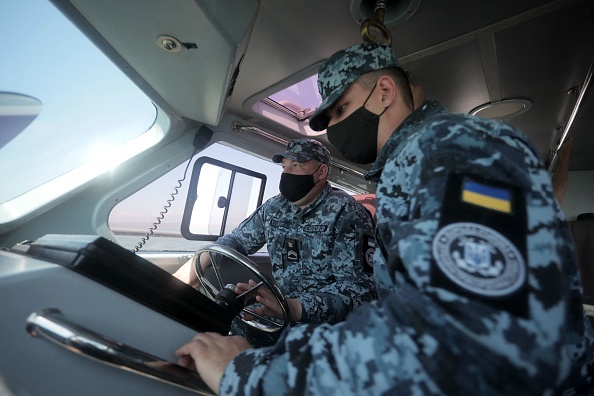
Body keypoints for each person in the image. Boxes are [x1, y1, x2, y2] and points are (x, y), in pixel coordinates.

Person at [175, 43, 594, 394]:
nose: (334, 130)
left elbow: (461, 334)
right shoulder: (410, 166)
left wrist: (250, 375)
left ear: (384, 92)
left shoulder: (453, 151)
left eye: (340, 111)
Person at [174, 138, 376, 347]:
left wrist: (292, 308)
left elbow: (359, 291)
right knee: (217, 330)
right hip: (280, 311)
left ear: (321, 172)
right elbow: (237, 240)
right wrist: (195, 266)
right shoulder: (275, 207)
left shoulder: (346, 212)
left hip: (328, 325)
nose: (287, 174)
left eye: (296, 166)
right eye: (284, 166)